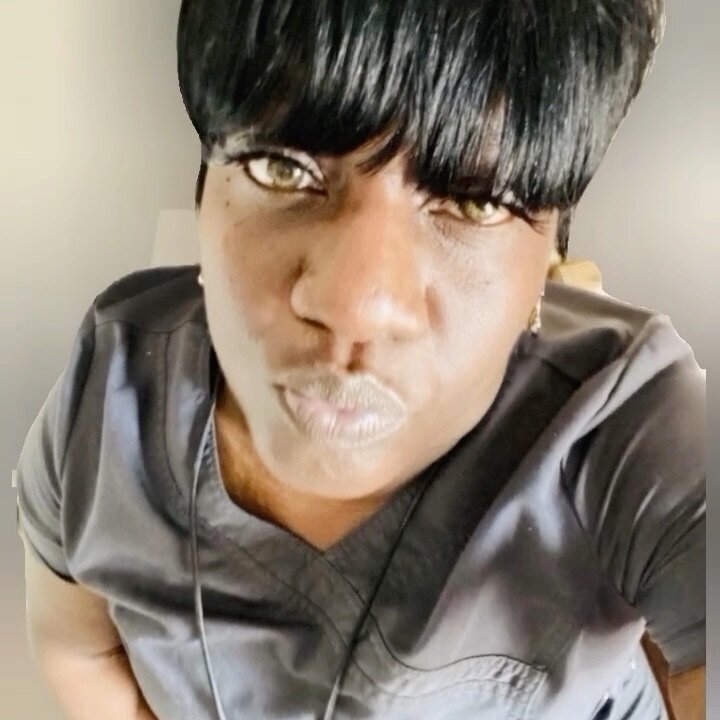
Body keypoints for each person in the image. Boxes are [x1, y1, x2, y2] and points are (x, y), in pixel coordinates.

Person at [16, 1, 705, 719]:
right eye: (281, 168)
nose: (354, 306)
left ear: (547, 265)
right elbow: (78, 647)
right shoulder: (110, 399)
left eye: (476, 204)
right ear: (203, 192)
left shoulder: (628, 427)